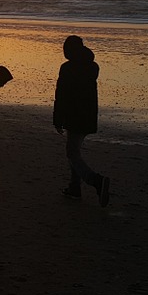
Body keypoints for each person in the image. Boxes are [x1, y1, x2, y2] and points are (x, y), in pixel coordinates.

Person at [53, 35, 110, 206]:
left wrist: (58, 118)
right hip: (89, 115)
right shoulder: (93, 67)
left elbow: (62, 95)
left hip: (73, 115)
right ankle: (74, 187)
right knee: (75, 151)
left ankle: (95, 181)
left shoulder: (68, 68)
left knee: (72, 153)